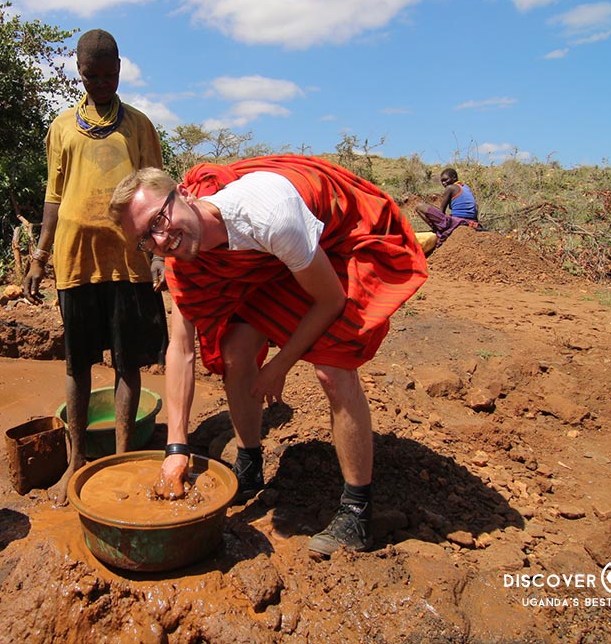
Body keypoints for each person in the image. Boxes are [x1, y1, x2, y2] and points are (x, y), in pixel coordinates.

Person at [109, 156, 428, 559]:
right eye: (145, 238)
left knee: (332, 369)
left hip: (332, 244)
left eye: (159, 219)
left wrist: (280, 365)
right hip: (273, 260)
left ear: (185, 194)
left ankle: (357, 512)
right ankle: (249, 462)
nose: (161, 238)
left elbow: (330, 300)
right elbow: (181, 349)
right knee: (235, 351)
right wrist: (177, 449)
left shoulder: (269, 214)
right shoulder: (187, 261)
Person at [22, 29, 168, 505]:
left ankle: (124, 458)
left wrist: (161, 256)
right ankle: (77, 461)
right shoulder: (62, 127)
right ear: (79, 72)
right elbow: (53, 194)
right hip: (74, 260)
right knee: (76, 363)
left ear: (121, 70)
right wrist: (39, 258)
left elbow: (158, 192)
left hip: (128, 262)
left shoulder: (140, 126)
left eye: (109, 75)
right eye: (92, 75)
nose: (101, 83)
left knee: (127, 363)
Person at [413, 167, 480, 248]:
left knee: (419, 207)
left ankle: (437, 231)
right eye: (442, 181)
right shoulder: (466, 187)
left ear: (454, 177)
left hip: (457, 222)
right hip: (471, 221)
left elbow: (442, 211)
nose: (444, 183)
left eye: (446, 180)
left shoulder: (450, 188)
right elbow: (475, 207)